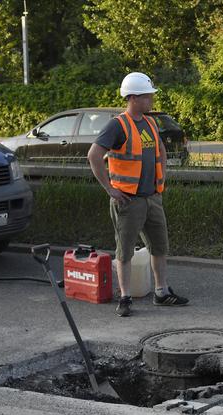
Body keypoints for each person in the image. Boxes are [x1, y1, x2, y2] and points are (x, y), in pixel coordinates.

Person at [87, 72, 189, 317]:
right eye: (147, 96)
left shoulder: (150, 122)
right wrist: (110, 189)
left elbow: (161, 150)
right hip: (127, 200)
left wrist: (160, 179)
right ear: (133, 97)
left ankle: (161, 292)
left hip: (152, 197)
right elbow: (93, 155)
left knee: (159, 246)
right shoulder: (117, 124)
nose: (152, 99)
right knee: (125, 250)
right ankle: (124, 297)